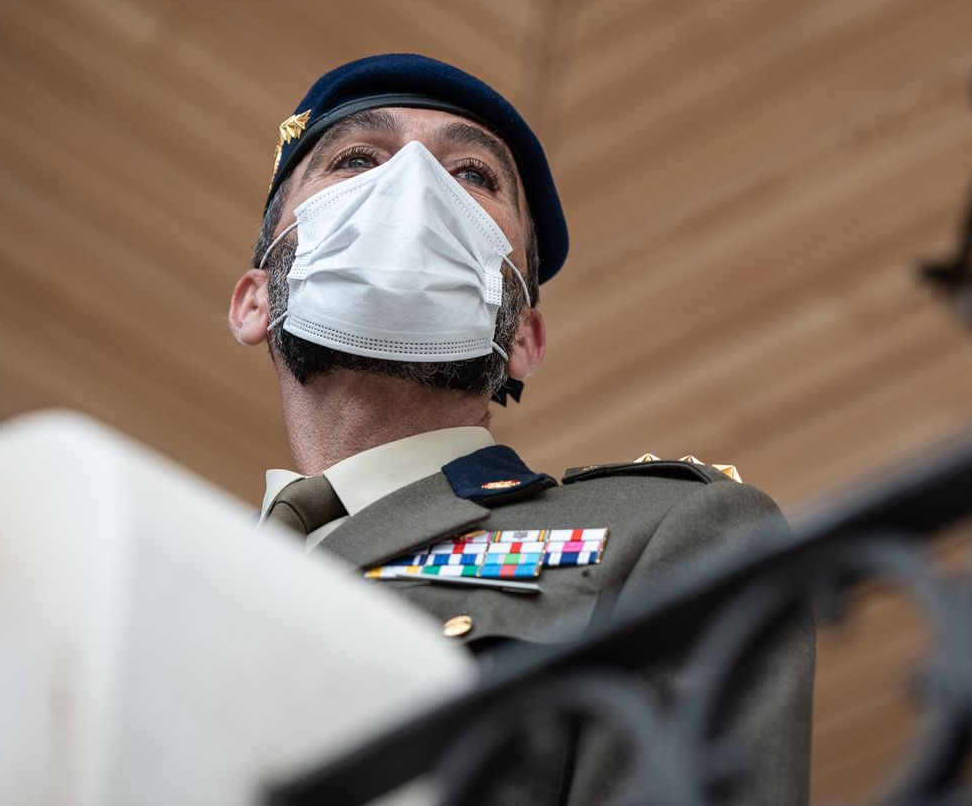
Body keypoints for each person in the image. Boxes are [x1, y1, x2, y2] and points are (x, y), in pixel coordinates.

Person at [227, 53, 814, 804]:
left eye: (472, 176)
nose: (413, 181)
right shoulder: (157, 564)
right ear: (254, 302)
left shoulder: (664, 530)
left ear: (524, 341)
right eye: (355, 159)